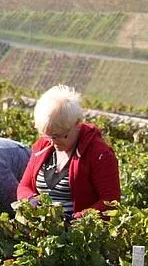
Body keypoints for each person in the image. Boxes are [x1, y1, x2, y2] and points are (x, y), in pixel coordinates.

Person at [16, 84, 120, 220]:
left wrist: (75, 221)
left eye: (59, 135)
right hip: (42, 233)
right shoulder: (43, 146)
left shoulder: (99, 154)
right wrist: (31, 200)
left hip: (80, 235)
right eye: (48, 135)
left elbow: (110, 202)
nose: (53, 141)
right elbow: (24, 186)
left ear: (76, 124)